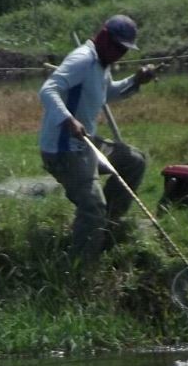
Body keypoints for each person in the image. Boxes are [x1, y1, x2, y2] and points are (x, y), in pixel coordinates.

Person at [38, 14, 156, 265]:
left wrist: (136, 81)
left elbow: (107, 95)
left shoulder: (102, 64)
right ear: (103, 38)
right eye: (116, 47)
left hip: (87, 144)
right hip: (64, 150)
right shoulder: (83, 59)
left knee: (133, 160)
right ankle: (80, 270)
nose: (119, 54)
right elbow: (49, 89)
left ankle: (105, 231)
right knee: (92, 207)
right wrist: (68, 119)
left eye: (124, 50)